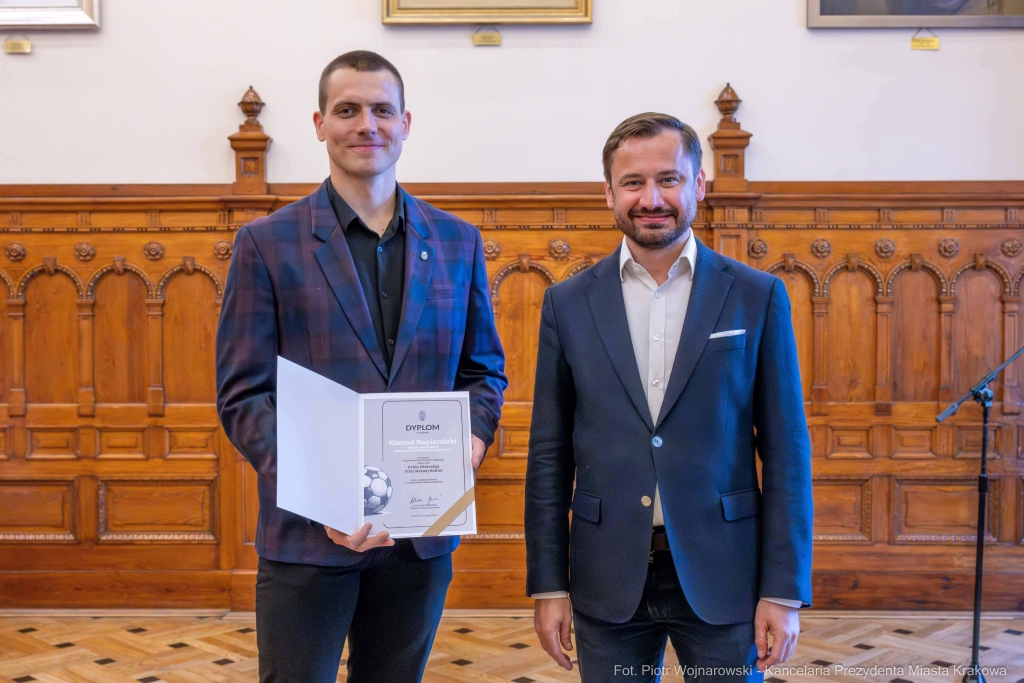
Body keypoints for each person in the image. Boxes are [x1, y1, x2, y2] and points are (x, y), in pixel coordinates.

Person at [216, 50, 507, 683]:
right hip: (308, 534)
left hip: (419, 536)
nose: (366, 125)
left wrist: (473, 438)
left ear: (406, 123)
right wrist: (324, 491)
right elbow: (244, 394)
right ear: (320, 124)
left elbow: (483, 371)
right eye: (347, 110)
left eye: (382, 110)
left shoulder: (456, 241)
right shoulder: (266, 243)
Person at [524, 113, 813, 682]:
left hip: (726, 574)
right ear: (609, 193)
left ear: (698, 184)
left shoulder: (756, 295)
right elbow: (549, 454)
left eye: (669, 179)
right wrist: (548, 585)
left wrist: (783, 590)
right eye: (633, 182)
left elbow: (786, 452)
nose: (651, 198)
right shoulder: (567, 304)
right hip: (606, 576)